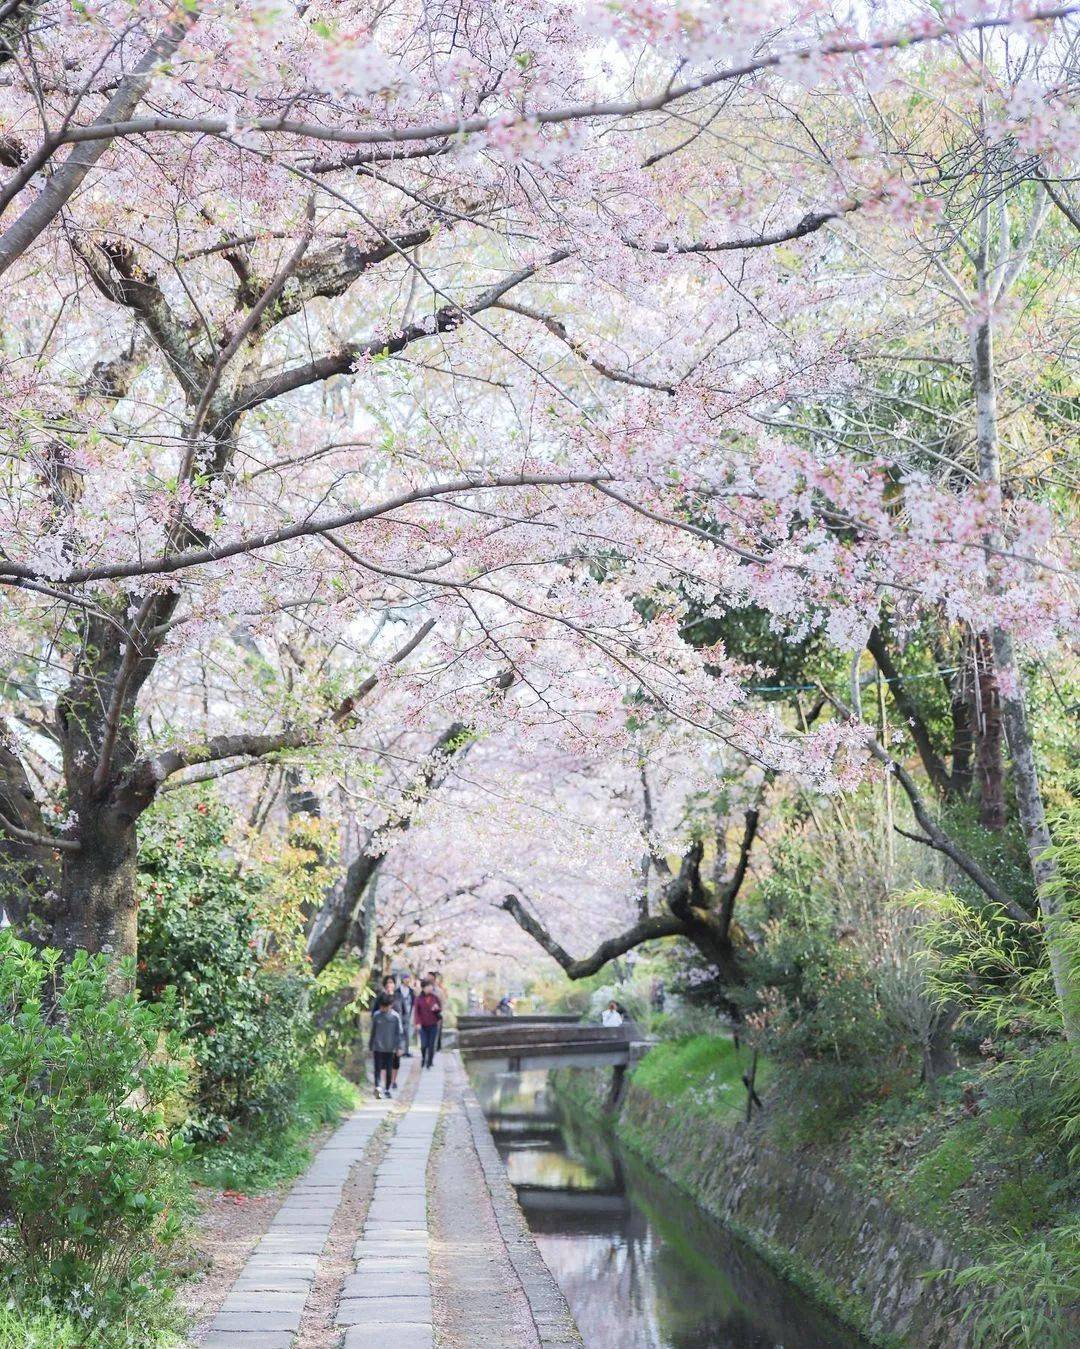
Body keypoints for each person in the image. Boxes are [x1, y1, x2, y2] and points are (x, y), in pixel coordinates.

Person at [369, 991, 403, 1099]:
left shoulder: (395, 1017)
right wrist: (371, 1045)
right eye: (382, 1007)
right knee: (377, 1068)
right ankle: (378, 1087)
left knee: (389, 1069)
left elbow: (398, 1033)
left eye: (385, 1007)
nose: (383, 1009)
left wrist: (399, 1047)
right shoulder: (377, 1016)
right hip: (378, 1047)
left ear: (390, 1005)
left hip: (390, 1048)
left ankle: (387, 1089)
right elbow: (373, 1031)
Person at [382, 974, 408, 1090]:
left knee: (396, 1059)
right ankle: (385, 1083)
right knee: (385, 1058)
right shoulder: (380, 998)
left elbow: (405, 1013)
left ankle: (393, 1081)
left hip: (397, 1032)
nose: (389, 985)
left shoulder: (399, 997)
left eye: (391, 982)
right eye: (387, 983)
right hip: (384, 1032)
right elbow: (375, 1014)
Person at [413, 978, 443, 1068]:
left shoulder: (435, 997)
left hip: (433, 1024)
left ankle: (429, 1061)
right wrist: (417, 1023)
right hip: (422, 1025)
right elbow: (416, 1012)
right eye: (428, 986)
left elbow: (440, 1009)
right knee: (424, 1044)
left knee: (431, 1044)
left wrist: (437, 1009)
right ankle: (423, 1058)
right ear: (423, 988)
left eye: (431, 986)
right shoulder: (418, 999)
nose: (430, 988)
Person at [399, 973, 417, 1057]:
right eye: (405, 978)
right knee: (399, 1032)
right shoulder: (398, 991)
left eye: (408, 978)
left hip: (408, 1014)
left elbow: (414, 1003)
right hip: (399, 1013)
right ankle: (400, 1050)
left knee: (407, 1032)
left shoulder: (411, 991)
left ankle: (406, 1050)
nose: (407, 980)